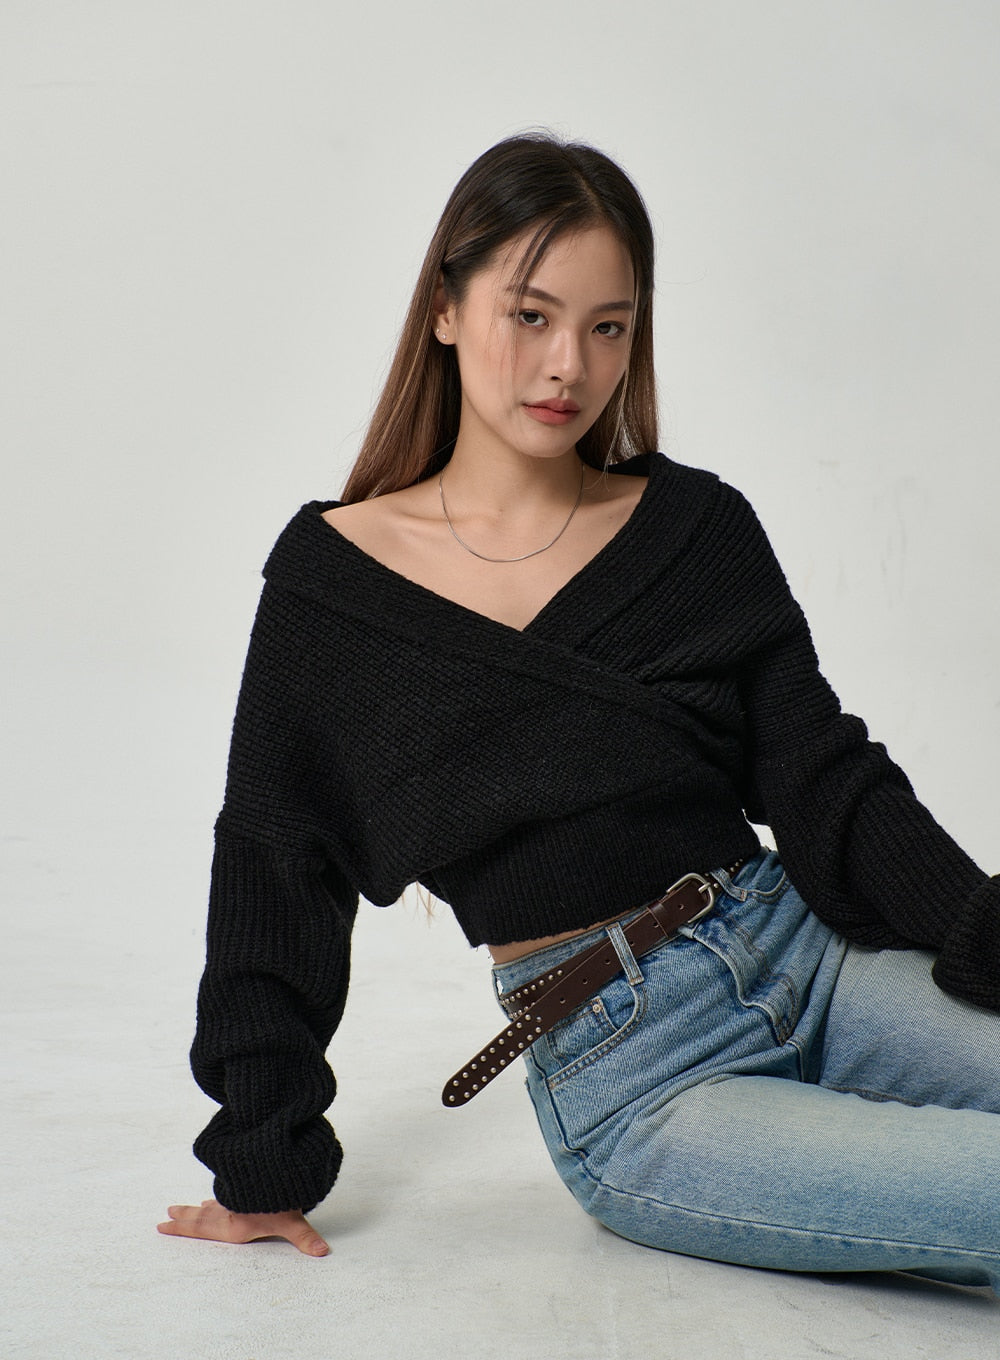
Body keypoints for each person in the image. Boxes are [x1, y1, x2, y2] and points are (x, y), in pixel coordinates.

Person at [158, 133, 1000, 1288]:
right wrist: (261, 1161)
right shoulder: (333, 590)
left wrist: (983, 932)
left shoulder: (694, 529)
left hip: (812, 952)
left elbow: (827, 780)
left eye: (608, 327)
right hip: (642, 1072)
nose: (568, 365)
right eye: (531, 315)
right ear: (445, 307)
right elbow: (274, 867)